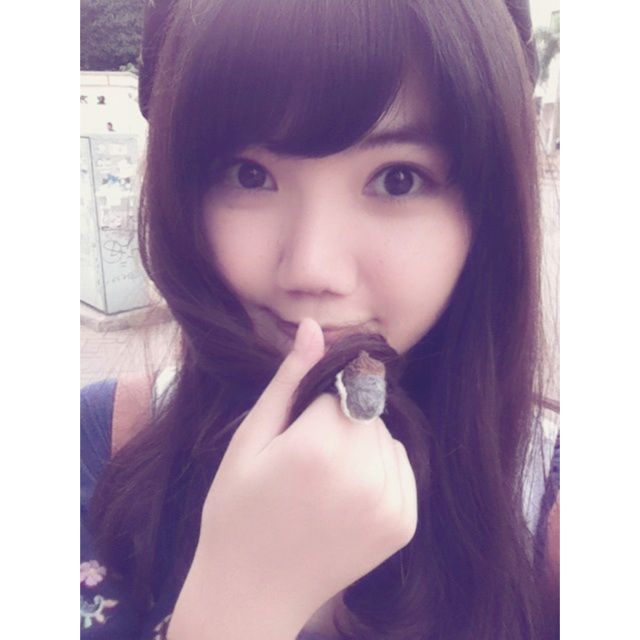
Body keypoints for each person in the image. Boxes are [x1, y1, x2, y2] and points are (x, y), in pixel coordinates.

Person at [80, 1, 560, 639]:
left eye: (397, 180)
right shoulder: (88, 448)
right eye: (250, 175)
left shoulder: (558, 520)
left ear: (486, 212)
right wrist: (239, 602)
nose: (312, 268)